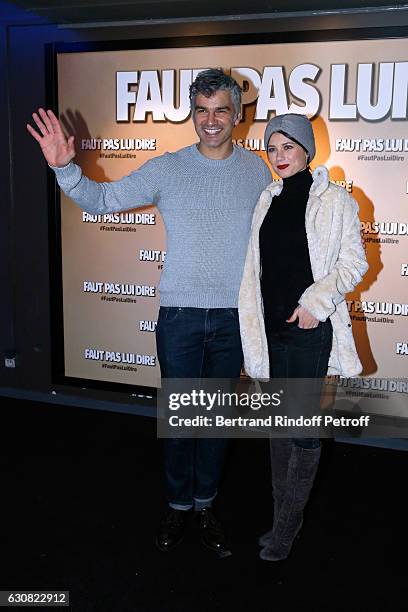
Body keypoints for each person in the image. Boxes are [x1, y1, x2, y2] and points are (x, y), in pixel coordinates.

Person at [27, 69, 272, 557]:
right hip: (180, 316)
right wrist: (64, 168)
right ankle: (179, 506)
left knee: (216, 422)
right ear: (192, 114)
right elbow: (100, 200)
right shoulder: (168, 169)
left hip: (232, 320)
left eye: (221, 109)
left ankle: (206, 504)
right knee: (182, 422)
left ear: (238, 114)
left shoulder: (259, 172)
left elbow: (279, 245)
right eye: (201, 110)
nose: (210, 120)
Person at [238, 113, 368, 561]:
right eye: (272, 149)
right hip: (270, 333)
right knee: (277, 428)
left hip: (310, 334)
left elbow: (354, 264)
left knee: (303, 432)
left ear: (307, 150)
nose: (278, 157)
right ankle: (279, 523)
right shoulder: (265, 199)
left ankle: (286, 534)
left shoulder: (336, 201)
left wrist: (315, 304)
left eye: (287, 147)